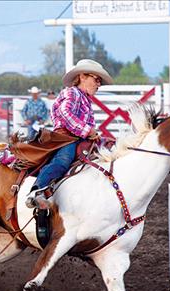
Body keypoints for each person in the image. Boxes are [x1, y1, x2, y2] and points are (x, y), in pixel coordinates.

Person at [25, 59, 113, 209]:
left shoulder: (84, 98)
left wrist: (93, 134)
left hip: (79, 137)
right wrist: (87, 130)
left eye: (100, 82)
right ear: (82, 77)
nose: (98, 84)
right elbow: (65, 113)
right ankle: (37, 191)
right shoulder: (72, 92)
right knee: (63, 161)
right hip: (66, 138)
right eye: (96, 79)